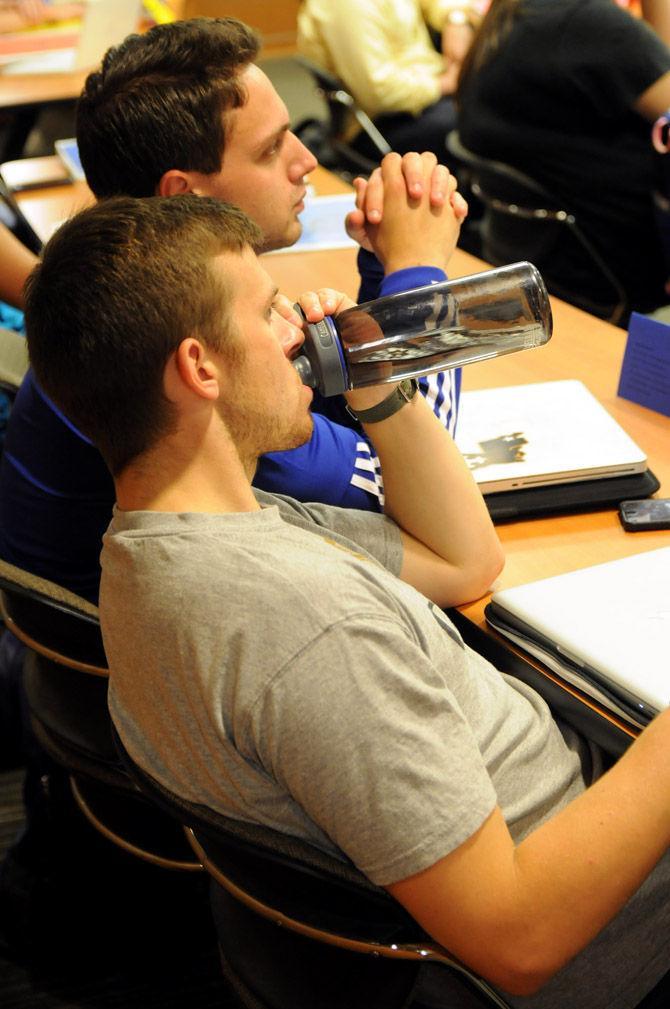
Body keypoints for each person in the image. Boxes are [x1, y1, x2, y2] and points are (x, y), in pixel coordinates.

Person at [23, 163, 670, 1009]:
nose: (297, 327)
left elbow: (464, 561)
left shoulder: (173, 538)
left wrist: (376, 378)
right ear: (199, 368)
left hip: (545, 808)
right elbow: (521, 939)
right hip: (604, 922)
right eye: (265, 311)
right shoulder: (300, 624)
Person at [0, 16, 467, 605]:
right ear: (183, 196)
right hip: (126, 683)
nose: (305, 161)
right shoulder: (195, 372)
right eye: (272, 149)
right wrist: (417, 275)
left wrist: (381, 267)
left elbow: (344, 416)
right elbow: (415, 489)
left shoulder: (122, 294)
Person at [456, 0, 670, 320]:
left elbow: (651, 67)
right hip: (610, 261)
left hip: (545, 261)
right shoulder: (593, 25)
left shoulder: (518, 14)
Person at [298, 0, 484, 162]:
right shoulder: (346, 5)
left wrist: (455, 18)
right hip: (380, 122)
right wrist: (446, 83)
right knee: (484, 121)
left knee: (492, 102)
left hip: (422, 91)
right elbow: (381, 92)